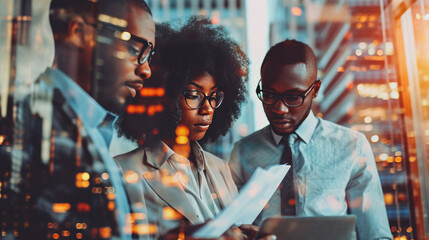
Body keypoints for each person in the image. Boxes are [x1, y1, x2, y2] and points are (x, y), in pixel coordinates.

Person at [3, 0, 155, 239]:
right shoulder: (31, 123)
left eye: (149, 55)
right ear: (78, 34)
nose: (146, 70)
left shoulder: (86, 126)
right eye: (136, 48)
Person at [114, 18, 269, 239]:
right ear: (165, 98)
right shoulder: (122, 171)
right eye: (194, 95)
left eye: (214, 96)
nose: (207, 108)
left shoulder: (221, 169)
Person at [228, 39, 393, 240]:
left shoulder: (351, 146)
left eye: (293, 97)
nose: (280, 109)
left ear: (315, 90)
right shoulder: (243, 152)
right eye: (269, 95)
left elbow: (376, 236)